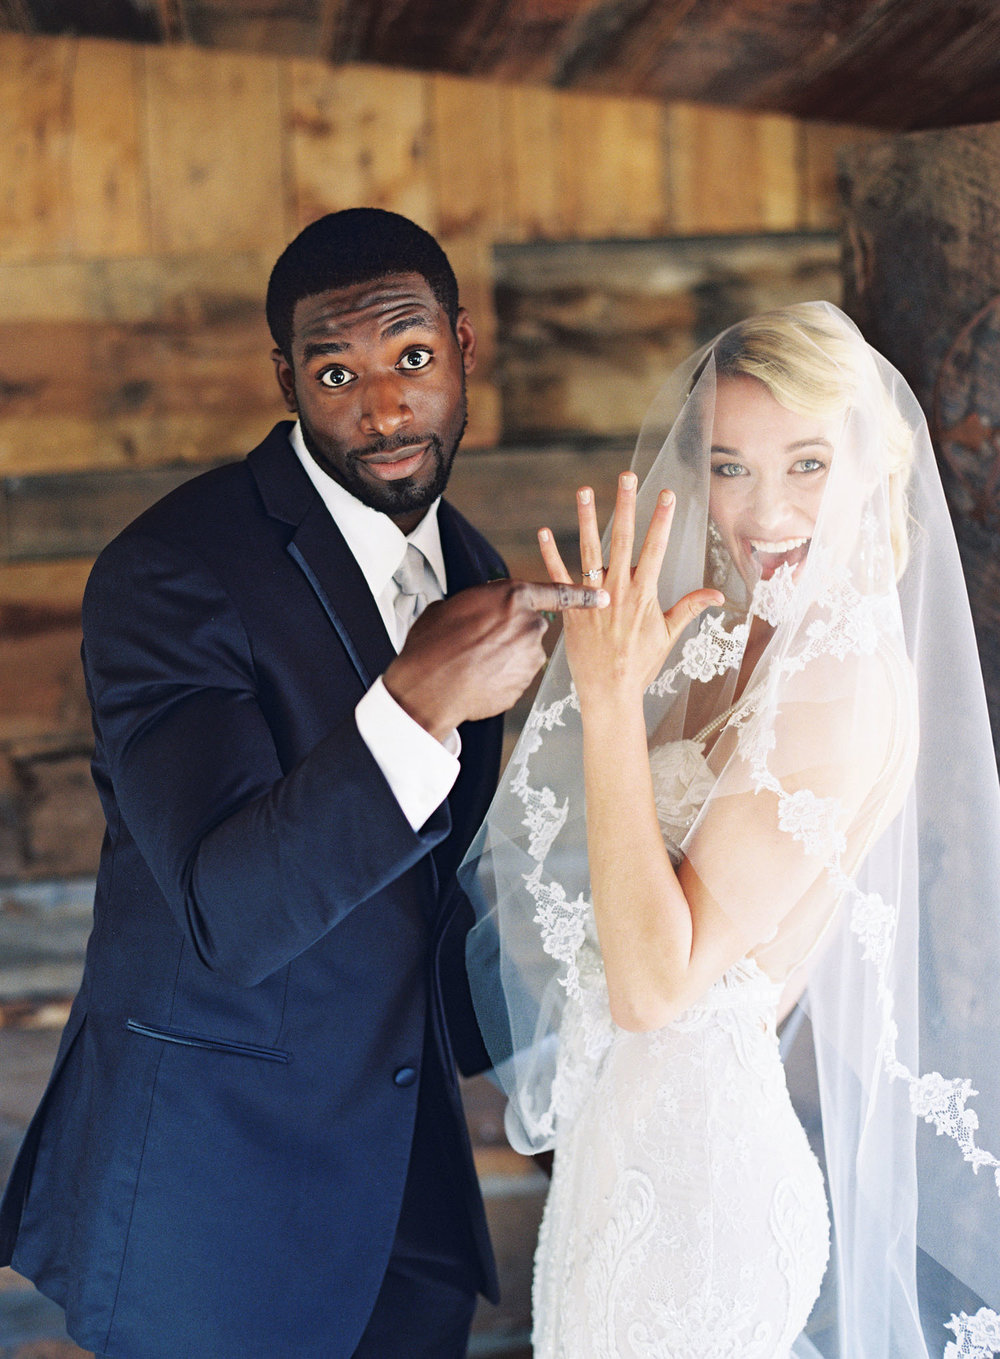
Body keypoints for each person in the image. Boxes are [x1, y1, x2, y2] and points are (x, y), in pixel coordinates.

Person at [0, 208, 606, 1359]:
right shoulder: (170, 572)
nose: (382, 407)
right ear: (284, 377)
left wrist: (571, 1083)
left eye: (411, 359)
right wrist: (419, 701)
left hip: (408, 1198)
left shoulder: (468, 566)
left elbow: (441, 903)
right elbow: (230, 916)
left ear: (464, 348)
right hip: (213, 1201)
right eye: (337, 371)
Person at [462, 302, 1000, 1357]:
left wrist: (612, 705)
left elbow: (657, 986)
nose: (764, 514)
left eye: (805, 463)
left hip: (701, 1191)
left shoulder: (835, 687)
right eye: (730, 467)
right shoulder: (736, 639)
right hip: (628, 1158)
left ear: (870, 465)